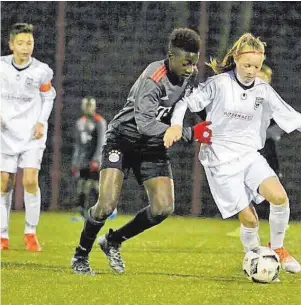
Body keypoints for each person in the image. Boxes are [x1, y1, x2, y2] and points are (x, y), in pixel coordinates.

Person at [164, 33, 301, 275]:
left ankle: (278, 248)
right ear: (236, 59)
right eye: (247, 65)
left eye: (257, 66)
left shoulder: (263, 90)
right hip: (220, 162)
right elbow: (184, 104)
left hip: (249, 156)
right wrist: (176, 126)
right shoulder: (219, 84)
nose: (252, 71)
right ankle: (254, 259)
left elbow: (296, 118)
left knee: (279, 197)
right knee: (251, 221)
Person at [71, 28, 212, 275]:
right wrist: (190, 133)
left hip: (152, 147)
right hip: (123, 141)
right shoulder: (153, 78)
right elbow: (146, 124)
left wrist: (211, 123)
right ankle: (81, 256)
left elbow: (194, 103)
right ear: (171, 56)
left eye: (194, 62)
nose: (191, 68)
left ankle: (113, 241)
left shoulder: (189, 75)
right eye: (186, 62)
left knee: (163, 208)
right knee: (105, 205)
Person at [0, 23, 56, 252]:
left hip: (32, 134)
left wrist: (42, 122)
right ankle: (2, 235)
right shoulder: (1, 67)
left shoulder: (42, 70)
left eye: (29, 43)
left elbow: (48, 97)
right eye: (21, 43)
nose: (26, 48)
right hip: (5, 133)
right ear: (11, 44)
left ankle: (30, 233)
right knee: (4, 182)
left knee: (30, 181)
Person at [226, 64, 286, 237]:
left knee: (273, 188)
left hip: (266, 148)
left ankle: (280, 223)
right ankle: (248, 223)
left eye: (263, 77)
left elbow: (282, 123)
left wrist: (268, 134)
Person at [71, 97, 109, 220]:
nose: (88, 108)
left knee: (95, 185)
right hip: (83, 160)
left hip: (94, 160)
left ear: (94, 106)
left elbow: (101, 142)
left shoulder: (99, 122)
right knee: (82, 185)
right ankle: (83, 213)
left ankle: (108, 209)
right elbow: (78, 144)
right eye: (86, 105)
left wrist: (97, 159)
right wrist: (75, 162)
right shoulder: (79, 122)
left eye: (90, 105)